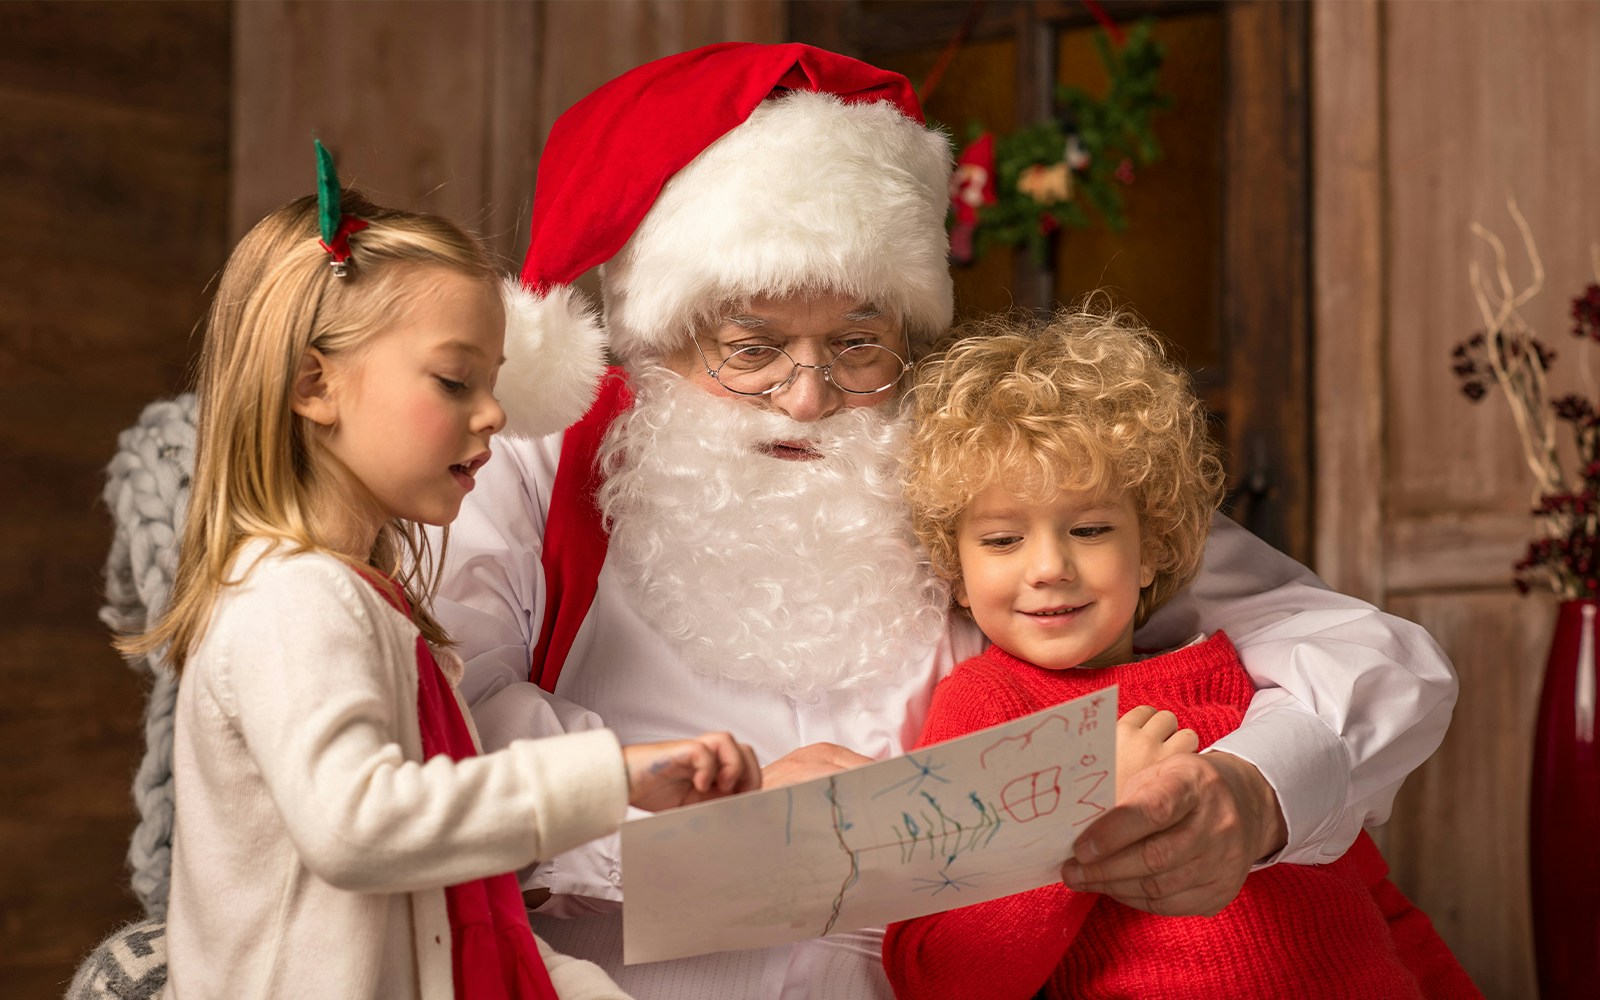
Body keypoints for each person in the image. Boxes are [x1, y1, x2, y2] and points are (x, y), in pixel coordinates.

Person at [435, 42, 1459, 998]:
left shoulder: (982, 463)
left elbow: (1362, 649)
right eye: (750, 349)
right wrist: (681, 798)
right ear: (658, 334)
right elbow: (444, 720)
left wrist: (1255, 789)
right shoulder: (538, 453)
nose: (807, 397)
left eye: (856, 343)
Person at [123, 176, 760, 1000]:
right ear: (313, 386)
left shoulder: (377, 613)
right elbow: (362, 827)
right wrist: (610, 778)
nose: (493, 414)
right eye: (456, 382)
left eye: (493, 383)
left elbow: (459, 912)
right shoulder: (295, 602)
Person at [881, 308, 1480, 999]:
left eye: (1089, 528)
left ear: (1155, 547)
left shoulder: (1243, 676)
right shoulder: (986, 707)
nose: (1048, 567)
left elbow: (1375, 898)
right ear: (953, 571)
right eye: (1002, 540)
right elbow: (938, 974)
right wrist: (1079, 805)